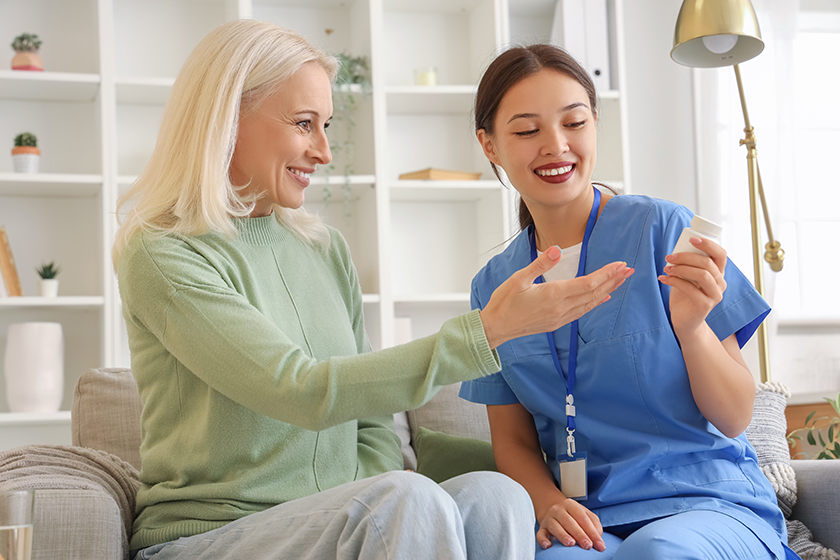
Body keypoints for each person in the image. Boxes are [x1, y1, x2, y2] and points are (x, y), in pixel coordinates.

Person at [111, 21, 634, 560]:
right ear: (227, 120)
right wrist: (489, 330)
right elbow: (300, 390)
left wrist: (370, 491)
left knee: (495, 494)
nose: (323, 151)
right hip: (211, 536)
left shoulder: (324, 250)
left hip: (334, 520)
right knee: (402, 499)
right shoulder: (164, 252)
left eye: (326, 126)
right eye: (303, 124)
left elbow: (371, 425)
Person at [460, 44, 799, 560]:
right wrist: (548, 502)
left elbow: (734, 416)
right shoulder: (493, 288)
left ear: (594, 124)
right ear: (489, 145)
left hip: (706, 504)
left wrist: (692, 329)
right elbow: (513, 440)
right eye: (527, 131)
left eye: (574, 122)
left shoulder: (664, 231)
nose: (556, 146)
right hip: (589, 519)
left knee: (659, 552)